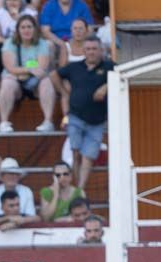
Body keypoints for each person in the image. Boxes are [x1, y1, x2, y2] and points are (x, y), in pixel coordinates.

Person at [52, 35, 112, 192]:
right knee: (76, 153)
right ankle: (75, 189)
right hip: (75, 117)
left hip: (97, 121)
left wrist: (107, 86)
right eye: (88, 49)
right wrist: (64, 93)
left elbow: (124, 76)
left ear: (101, 51)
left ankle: (80, 189)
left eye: (94, 49)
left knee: (89, 156)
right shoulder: (74, 67)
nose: (91, 52)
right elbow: (54, 75)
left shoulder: (109, 67)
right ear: (83, 51)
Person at [0, 14, 56, 132]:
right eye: (23, 27)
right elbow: (10, 67)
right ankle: (4, 123)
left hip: (35, 82)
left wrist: (23, 68)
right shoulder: (9, 43)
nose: (26, 30)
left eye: (29, 27)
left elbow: (42, 66)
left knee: (47, 81)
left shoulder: (42, 43)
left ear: (35, 29)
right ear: (18, 30)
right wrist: (29, 68)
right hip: (16, 81)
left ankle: (48, 121)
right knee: (7, 83)